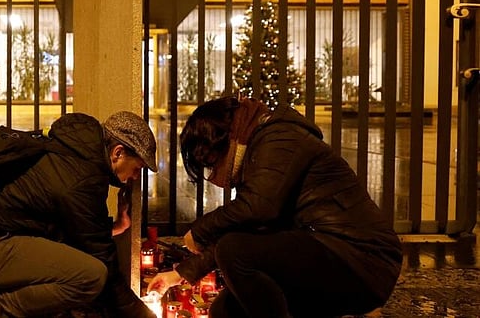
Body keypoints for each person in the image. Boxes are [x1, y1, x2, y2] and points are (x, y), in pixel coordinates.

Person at [147, 96, 402, 318]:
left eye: (210, 163)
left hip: (361, 261)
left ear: (221, 141)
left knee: (234, 250)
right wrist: (181, 273)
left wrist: (200, 230)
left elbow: (259, 208)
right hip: (326, 252)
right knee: (225, 310)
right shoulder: (257, 146)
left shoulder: (278, 138)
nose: (214, 174)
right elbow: (258, 226)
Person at [0, 111, 159, 318]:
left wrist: (118, 226)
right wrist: (144, 315)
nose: (135, 177)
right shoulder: (82, 179)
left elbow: (78, 235)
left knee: (77, 266)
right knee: (90, 277)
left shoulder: (73, 153)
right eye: (137, 168)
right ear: (118, 153)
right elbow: (104, 266)